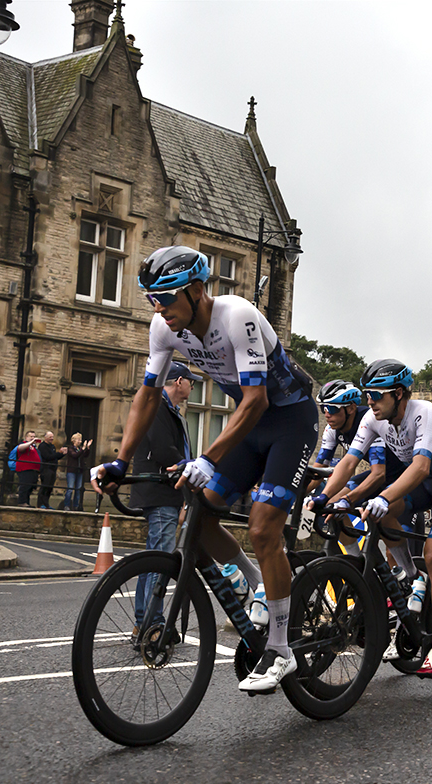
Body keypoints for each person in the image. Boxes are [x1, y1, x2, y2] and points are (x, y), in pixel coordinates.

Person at [92, 245, 317, 694]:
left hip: (289, 421)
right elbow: (147, 396)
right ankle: (256, 582)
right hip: (249, 426)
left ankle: (280, 649)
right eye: (152, 299)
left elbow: (257, 399)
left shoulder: (238, 316)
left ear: (196, 290)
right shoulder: (164, 327)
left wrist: (206, 459)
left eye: (167, 298)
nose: (160, 309)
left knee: (263, 527)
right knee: (195, 512)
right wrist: (119, 460)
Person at [313, 358, 432, 677]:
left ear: (399, 393)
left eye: (375, 394)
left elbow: (420, 467)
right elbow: (347, 462)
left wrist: (383, 497)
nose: (368, 401)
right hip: (423, 482)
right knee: (379, 516)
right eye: (366, 394)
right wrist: (322, 497)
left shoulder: (423, 412)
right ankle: (410, 574)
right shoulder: (373, 420)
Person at [130, 361, 200, 638]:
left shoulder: (172, 412)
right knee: (159, 559)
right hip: (158, 489)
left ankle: (143, 622)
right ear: (179, 381)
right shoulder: (157, 406)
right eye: (190, 381)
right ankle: (154, 624)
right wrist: (193, 467)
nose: (192, 385)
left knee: (153, 559)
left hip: (168, 492)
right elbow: (162, 449)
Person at [36, 430, 67, 508]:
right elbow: (48, 457)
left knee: (50, 487)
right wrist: (58, 453)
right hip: (46, 469)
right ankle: (40, 504)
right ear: (45, 437)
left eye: (52, 437)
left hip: (53, 469)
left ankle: (46, 503)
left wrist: (62, 454)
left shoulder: (52, 446)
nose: (52, 438)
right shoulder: (42, 446)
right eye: (50, 437)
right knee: (45, 486)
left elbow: (55, 457)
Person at [63, 433, 93, 511]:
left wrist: (88, 448)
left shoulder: (80, 449)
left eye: (80, 440)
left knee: (78, 489)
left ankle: (76, 505)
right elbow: (75, 455)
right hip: (72, 471)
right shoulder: (70, 449)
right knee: (70, 488)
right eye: (78, 440)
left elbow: (85, 455)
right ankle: (67, 505)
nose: (80, 441)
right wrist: (83, 449)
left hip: (79, 471)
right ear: (73, 441)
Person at [12, 430, 41, 506]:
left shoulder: (33, 447)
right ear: (26, 437)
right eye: (31, 436)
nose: (32, 438)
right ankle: (21, 502)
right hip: (25, 469)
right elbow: (20, 448)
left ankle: (26, 502)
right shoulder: (24, 444)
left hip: (33, 470)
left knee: (30, 487)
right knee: (25, 485)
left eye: (34, 436)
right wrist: (31, 442)